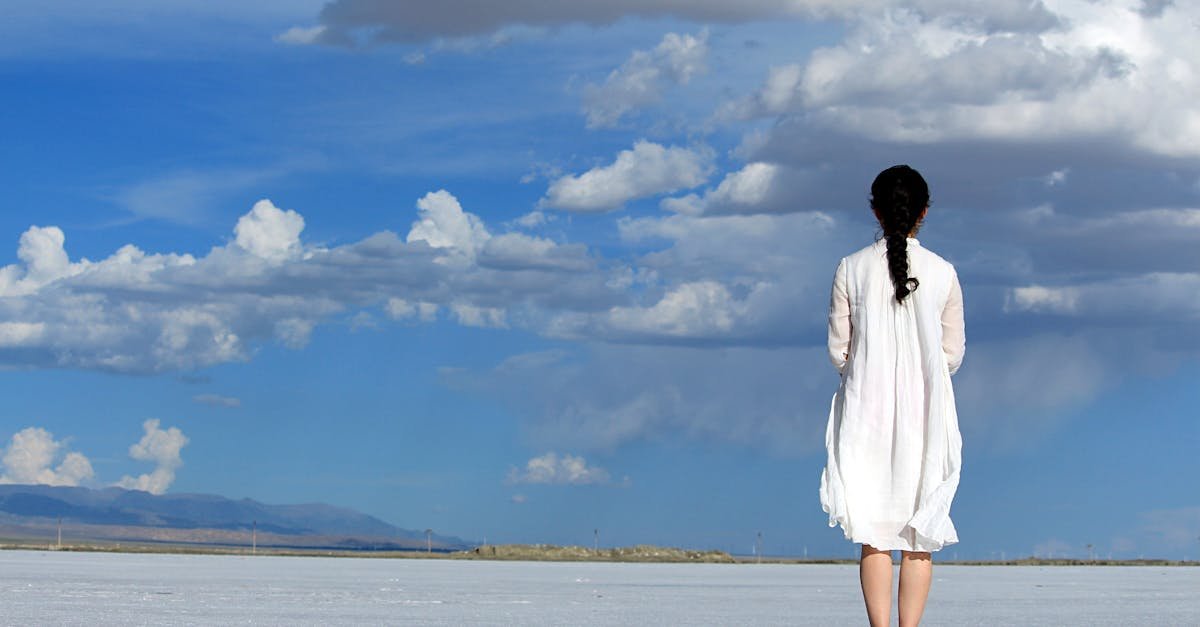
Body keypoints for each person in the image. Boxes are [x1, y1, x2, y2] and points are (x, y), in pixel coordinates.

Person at [819, 165, 965, 627]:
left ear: (876, 210)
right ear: (923, 212)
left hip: (866, 411)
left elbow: (839, 351)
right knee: (920, 536)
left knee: (873, 533)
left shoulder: (851, 267)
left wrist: (867, 373)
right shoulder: (942, 272)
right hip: (926, 413)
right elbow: (952, 354)